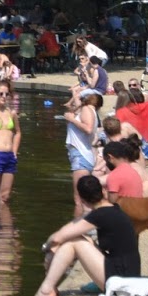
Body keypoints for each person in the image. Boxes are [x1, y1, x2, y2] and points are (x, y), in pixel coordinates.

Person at [22, 174, 141, 296]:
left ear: (82, 199)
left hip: (122, 284)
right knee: (82, 239)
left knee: (74, 242)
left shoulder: (101, 215)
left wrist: (47, 247)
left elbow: (57, 238)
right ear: (103, 191)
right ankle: (51, 288)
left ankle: (46, 290)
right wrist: (54, 246)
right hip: (128, 275)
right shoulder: (112, 209)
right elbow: (69, 230)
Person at [62, 87, 103, 219]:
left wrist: (72, 120)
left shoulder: (86, 109)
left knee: (79, 200)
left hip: (81, 156)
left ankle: (78, 228)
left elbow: (88, 129)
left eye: (80, 98)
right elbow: (72, 109)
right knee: (84, 199)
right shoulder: (90, 111)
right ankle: (89, 226)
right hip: (83, 155)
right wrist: (75, 98)